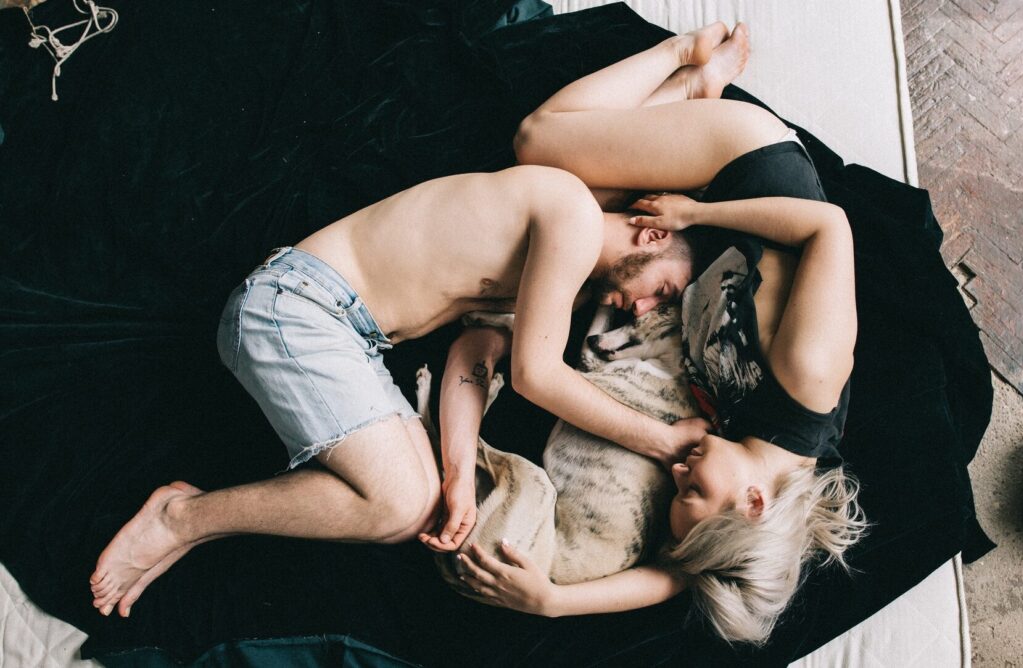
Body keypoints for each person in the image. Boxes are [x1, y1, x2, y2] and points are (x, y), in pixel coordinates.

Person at [88, 22, 749, 619]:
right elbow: (535, 374)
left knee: (420, 501)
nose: (643, 309)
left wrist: (460, 472)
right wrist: (662, 441)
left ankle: (191, 516)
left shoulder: (561, 286)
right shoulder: (569, 209)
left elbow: (473, 360)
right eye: (664, 292)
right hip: (297, 305)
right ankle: (182, 517)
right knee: (398, 506)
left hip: (348, 337)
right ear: (653, 233)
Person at [450, 25, 867, 645]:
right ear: (752, 503)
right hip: (744, 167)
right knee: (536, 143)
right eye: (692, 488)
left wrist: (556, 602)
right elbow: (829, 228)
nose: (678, 472)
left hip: (695, 240)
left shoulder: (749, 482)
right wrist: (696, 213)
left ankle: (692, 95)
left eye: (679, 493)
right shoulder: (808, 376)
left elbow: (679, 574)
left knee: (570, 205)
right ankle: (692, 71)